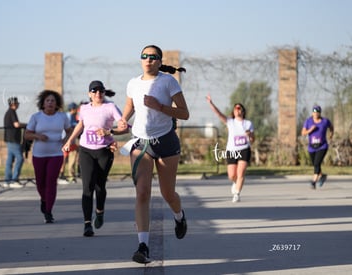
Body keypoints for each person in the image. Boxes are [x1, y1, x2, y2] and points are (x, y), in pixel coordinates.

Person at [117, 45, 189, 264]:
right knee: (142, 193)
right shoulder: (132, 83)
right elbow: (130, 106)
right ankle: (143, 246)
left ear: (159, 61)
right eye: (144, 56)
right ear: (140, 59)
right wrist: (123, 120)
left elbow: (184, 113)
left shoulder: (168, 81)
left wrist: (159, 106)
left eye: (153, 57)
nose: (148, 59)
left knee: (168, 194)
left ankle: (179, 216)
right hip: (141, 142)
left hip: (166, 142)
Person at [63, 80, 126, 237]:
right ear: (89, 94)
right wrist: (70, 140)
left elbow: (124, 126)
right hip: (86, 151)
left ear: (104, 93)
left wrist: (109, 131)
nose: (98, 94)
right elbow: (80, 125)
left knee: (100, 186)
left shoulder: (110, 107)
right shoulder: (84, 108)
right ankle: (87, 224)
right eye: (94, 91)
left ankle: (99, 211)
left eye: (101, 91)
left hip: (104, 150)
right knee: (87, 188)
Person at [24, 90, 72, 223]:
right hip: (39, 154)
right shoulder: (36, 117)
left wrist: (66, 140)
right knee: (40, 183)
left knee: (51, 182)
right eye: (48, 101)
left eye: (53, 101)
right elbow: (27, 135)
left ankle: (48, 211)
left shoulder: (62, 117)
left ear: (57, 104)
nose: (50, 103)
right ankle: (44, 199)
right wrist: (37, 136)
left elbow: (70, 131)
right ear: (43, 103)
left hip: (56, 154)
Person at [205, 96, 255, 203]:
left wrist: (250, 134)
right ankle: (235, 182)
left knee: (241, 173)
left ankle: (237, 194)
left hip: (244, 149)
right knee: (232, 175)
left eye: (239, 108)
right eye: (236, 108)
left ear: (243, 111)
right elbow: (218, 114)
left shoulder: (248, 123)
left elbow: (253, 139)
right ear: (233, 111)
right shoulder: (230, 122)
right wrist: (211, 103)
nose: (238, 110)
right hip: (231, 150)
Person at [301, 105, 334, 189]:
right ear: (312, 113)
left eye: (317, 113)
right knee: (315, 164)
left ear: (320, 113)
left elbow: (331, 127)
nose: (315, 114)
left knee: (316, 163)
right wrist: (310, 130)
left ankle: (313, 181)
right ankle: (322, 176)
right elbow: (303, 133)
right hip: (311, 147)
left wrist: (331, 135)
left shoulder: (325, 121)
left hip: (322, 146)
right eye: (314, 113)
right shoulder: (308, 121)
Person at [3, 97, 26, 188]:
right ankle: (14, 179)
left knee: (10, 160)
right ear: (13, 104)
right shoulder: (11, 112)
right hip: (13, 140)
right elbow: (16, 124)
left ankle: (7, 180)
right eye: (17, 103)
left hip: (10, 139)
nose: (18, 105)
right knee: (20, 158)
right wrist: (26, 125)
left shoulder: (9, 112)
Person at [58, 102, 79, 184]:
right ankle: (61, 175)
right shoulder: (68, 116)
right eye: (76, 109)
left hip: (72, 142)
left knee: (72, 160)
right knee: (63, 160)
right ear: (72, 109)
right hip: (65, 141)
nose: (77, 110)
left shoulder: (73, 116)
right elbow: (68, 126)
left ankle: (71, 176)